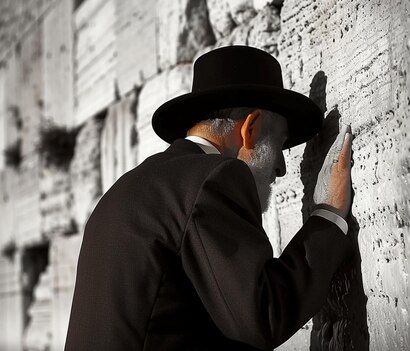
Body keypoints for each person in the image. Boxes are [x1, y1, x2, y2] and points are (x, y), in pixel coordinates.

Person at [65, 46, 354, 350]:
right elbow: (264, 316)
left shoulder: (121, 192)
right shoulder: (214, 178)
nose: (282, 167)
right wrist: (327, 214)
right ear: (251, 129)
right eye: (280, 142)